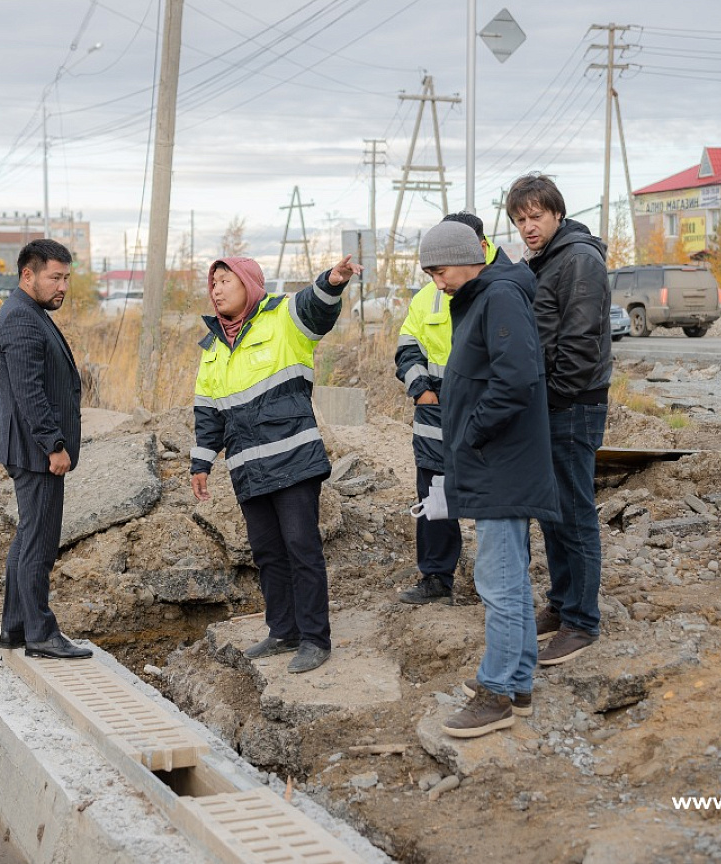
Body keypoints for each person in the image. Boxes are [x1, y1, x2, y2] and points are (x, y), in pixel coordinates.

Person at [411, 220, 558, 737]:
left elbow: (515, 378)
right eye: (430, 274)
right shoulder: (486, 295)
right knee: (509, 577)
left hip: (502, 461)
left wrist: (472, 432)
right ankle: (516, 685)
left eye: (440, 271)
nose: (438, 283)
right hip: (498, 460)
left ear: (464, 258)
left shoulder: (498, 296)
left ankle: (495, 693)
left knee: (497, 581)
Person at [191, 254, 362, 675]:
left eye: (225, 280)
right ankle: (283, 631)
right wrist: (201, 462)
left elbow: (315, 308)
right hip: (248, 467)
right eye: (213, 283)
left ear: (249, 284)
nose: (217, 289)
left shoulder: (283, 318)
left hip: (293, 459)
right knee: (267, 553)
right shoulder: (213, 347)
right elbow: (208, 411)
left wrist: (332, 281)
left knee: (301, 547)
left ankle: (315, 638)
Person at [508, 173, 611, 667]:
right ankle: (563, 603)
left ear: (557, 213)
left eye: (536, 216)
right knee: (552, 512)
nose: (528, 226)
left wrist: (551, 399)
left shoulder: (578, 260)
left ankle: (582, 622)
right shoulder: (544, 259)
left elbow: (580, 344)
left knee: (573, 513)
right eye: (519, 219)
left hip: (572, 404)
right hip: (551, 404)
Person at [0, 239, 92, 660]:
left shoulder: (28, 312)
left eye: (66, 278)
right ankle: (41, 635)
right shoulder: (21, 318)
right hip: (35, 452)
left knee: (29, 538)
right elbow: (29, 392)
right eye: (55, 277)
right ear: (27, 275)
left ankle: (15, 628)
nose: (62, 286)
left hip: (28, 449)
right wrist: (54, 445)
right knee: (40, 543)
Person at [394, 212, 496, 606]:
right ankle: (437, 577)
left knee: (495, 501)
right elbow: (407, 348)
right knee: (435, 500)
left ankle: (499, 583)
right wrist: (422, 391)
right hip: (435, 421)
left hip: (486, 419)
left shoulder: (501, 289)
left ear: (478, 248)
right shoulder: (428, 296)